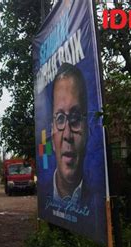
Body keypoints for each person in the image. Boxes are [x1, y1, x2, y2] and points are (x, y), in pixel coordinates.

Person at [51, 63, 88, 206]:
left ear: (87, 130)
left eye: (75, 118)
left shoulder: (96, 203)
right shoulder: (44, 195)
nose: (68, 135)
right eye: (60, 118)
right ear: (51, 132)